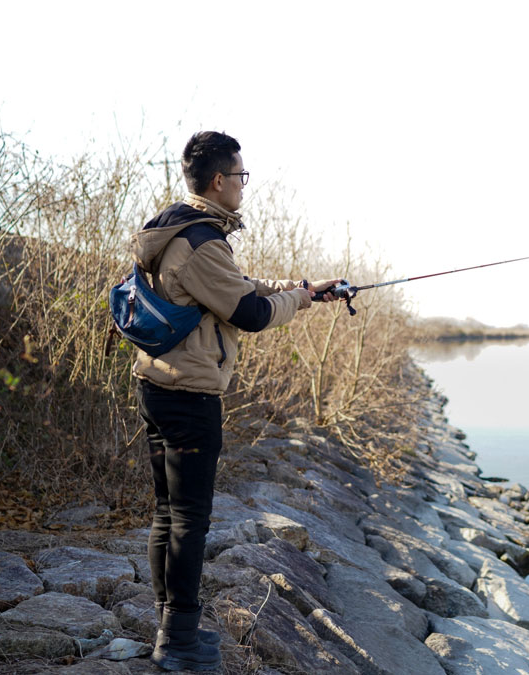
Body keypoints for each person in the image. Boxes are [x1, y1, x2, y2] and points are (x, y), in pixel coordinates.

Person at [131, 131, 339, 671]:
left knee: (168, 513)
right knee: (188, 520)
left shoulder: (178, 230)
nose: (245, 187)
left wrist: (305, 289)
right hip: (189, 395)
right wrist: (296, 301)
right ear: (219, 181)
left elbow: (239, 286)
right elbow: (249, 313)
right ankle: (175, 642)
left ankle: (173, 626)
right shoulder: (201, 242)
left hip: (159, 385)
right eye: (241, 177)